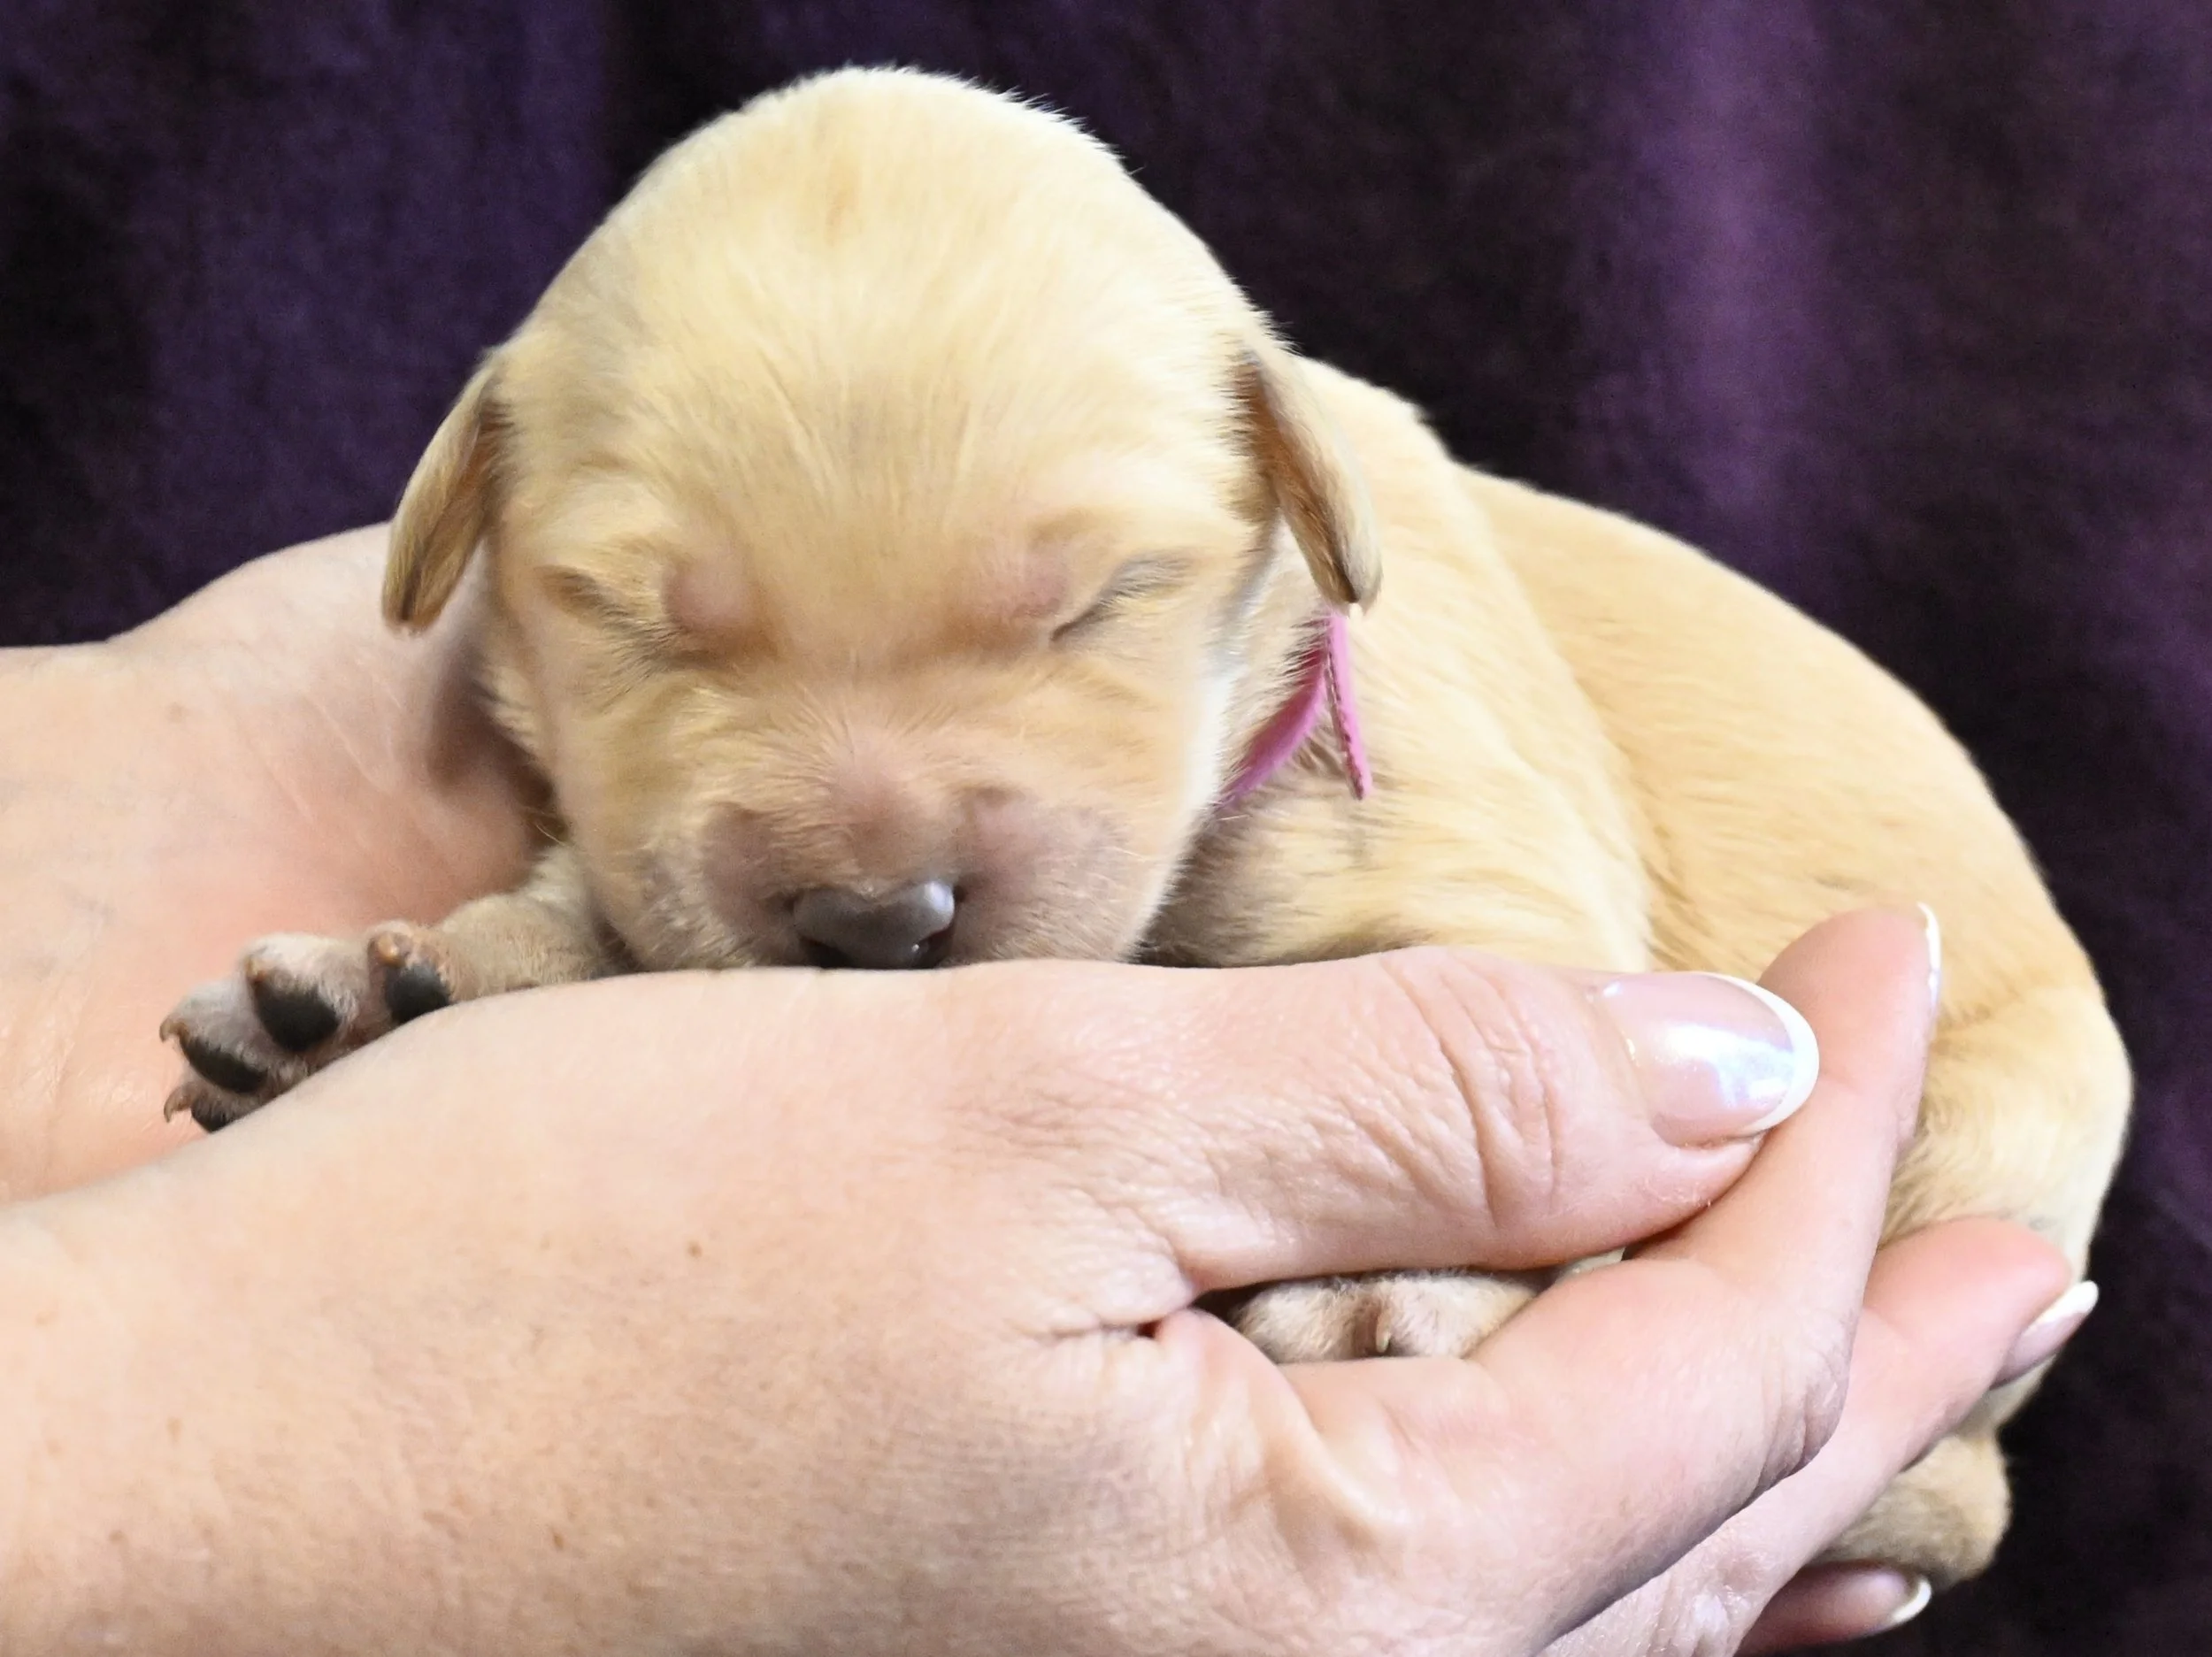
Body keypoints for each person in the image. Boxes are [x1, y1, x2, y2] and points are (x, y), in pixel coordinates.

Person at [0, 527, 2086, 1653]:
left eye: (1074, 614)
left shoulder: (1373, 645)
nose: (880, 851)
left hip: (1942, 1087)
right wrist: (178, 1473)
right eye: (658, 622)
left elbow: (1536, 954)